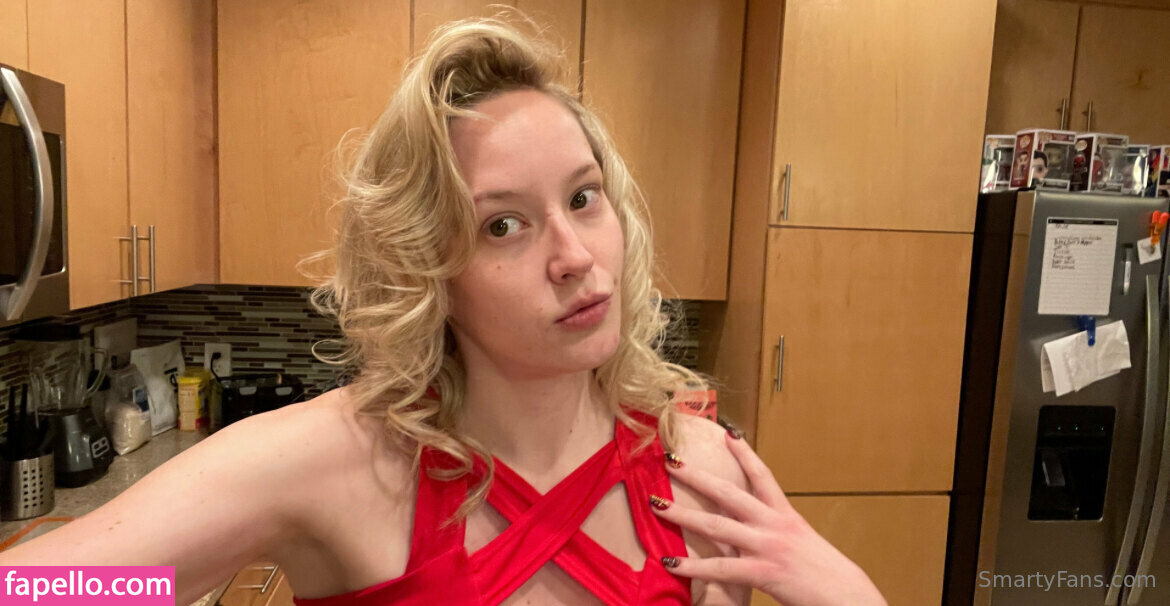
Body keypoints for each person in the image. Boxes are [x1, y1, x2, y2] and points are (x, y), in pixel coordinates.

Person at [0, 16, 885, 606]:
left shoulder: (701, 472)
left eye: (583, 199)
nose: (575, 257)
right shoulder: (331, 465)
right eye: (504, 225)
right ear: (430, 270)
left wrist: (842, 590)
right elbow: (46, 590)